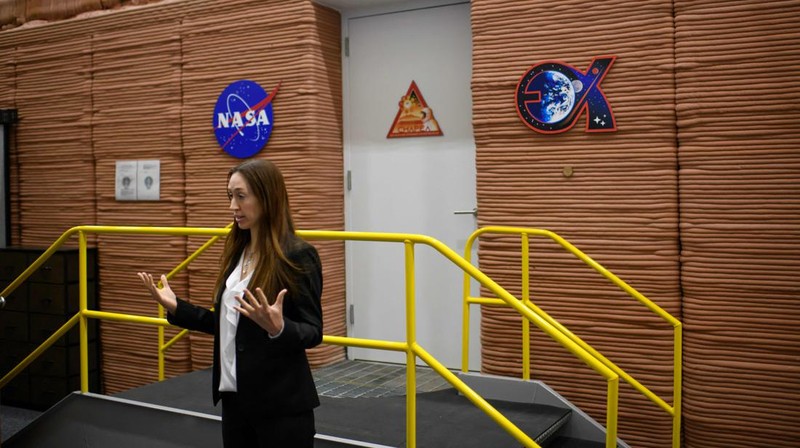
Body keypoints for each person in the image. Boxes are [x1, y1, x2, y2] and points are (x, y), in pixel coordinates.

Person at [137, 158, 323, 447]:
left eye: (240, 196)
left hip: (281, 408)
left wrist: (279, 328)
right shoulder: (239, 251)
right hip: (235, 403)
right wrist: (176, 307)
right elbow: (227, 324)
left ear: (267, 197)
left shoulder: (297, 255)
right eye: (230, 196)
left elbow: (313, 331)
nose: (232, 207)